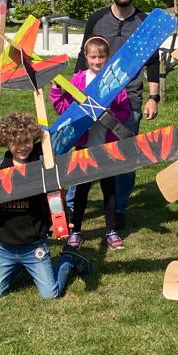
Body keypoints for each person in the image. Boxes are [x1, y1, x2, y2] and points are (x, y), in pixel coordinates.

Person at [0, 114, 92, 299]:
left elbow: (55, 197)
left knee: (49, 294)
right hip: (4, 247)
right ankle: (16, 266)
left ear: (33, 139)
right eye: (16, 142)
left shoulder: (43, 167)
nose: (22, 147)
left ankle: (69, 257)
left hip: (34, 245)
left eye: (26, 141)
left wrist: (65, 218)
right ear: (6, 142)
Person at [73, 0, 161, 229]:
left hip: (128, 103)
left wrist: (153, 97)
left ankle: (118, 208)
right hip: (92, 101)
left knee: (125, 158)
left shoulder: (145, 22)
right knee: (83, 155)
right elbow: (82, 58)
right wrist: (75, 96)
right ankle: (72, 207)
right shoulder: (97, 19)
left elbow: (153, 62)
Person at [50, 36, 130, 251]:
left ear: (107, 58)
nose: (97, 61)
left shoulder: (114, 80)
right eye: (93, 57)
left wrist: (114, 114)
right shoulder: (78, 80)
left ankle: (111, 230)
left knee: (109, 189)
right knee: (82, 189)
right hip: (84, 145)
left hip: (106, 145)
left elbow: (125, 109)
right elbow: (63, 109)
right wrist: (56, 91)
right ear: (86, 57)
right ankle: (75, 231)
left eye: (101, 57)